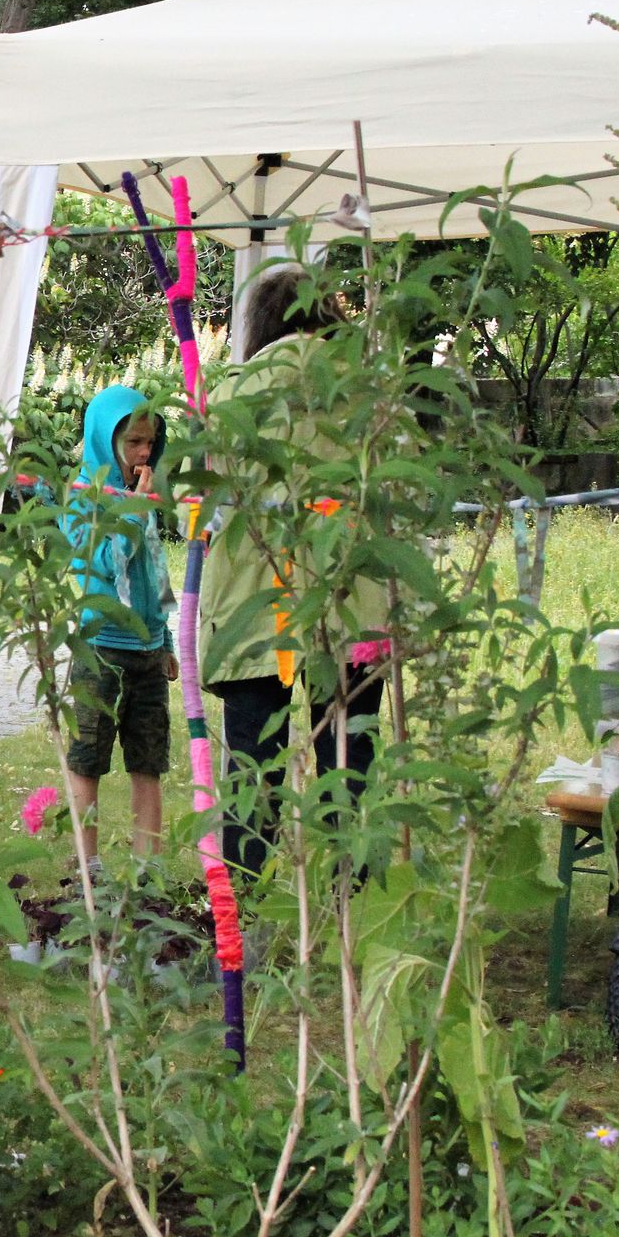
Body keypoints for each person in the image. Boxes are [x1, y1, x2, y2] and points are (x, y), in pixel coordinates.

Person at [198, 264, 385, 879]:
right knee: (348, 753)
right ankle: (348, 903)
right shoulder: (367, 392)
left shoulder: (228, 393)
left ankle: (243, 909)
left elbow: (200, 508)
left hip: (258, 606)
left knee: (254, 769)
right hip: (351, 600)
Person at [59, 385, 174, 870]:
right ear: (105, 442)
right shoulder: (84, 498)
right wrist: (129, 511)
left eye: (150, 442)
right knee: (88, 759)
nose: (144, 452)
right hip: (101, 649)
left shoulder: (140, 497)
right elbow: (105, 561)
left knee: (148, 763)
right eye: (133, 443)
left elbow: (154, 573)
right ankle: (89, 868)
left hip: (147, 651)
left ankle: (148, 869)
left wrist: (165, 638)